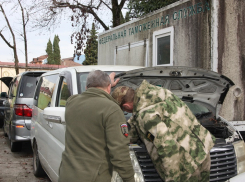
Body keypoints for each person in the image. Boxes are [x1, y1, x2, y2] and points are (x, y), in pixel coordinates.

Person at [111, 80, 216, 182]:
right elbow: (138, 117)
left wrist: (173, 177)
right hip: (202, 147)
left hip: (187, 164)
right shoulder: (157, 92)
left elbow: (166, 146)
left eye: (124, 110)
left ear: (126, 106)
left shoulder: (146, 116)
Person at [59, 70, 135, 182]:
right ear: (109, 87)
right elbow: (119, 152)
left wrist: (106, 84)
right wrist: (129, 179)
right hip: (94, 178)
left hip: (67, 174)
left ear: (86, 86)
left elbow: (90, 100)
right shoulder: (111, 109)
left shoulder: (71, 102)